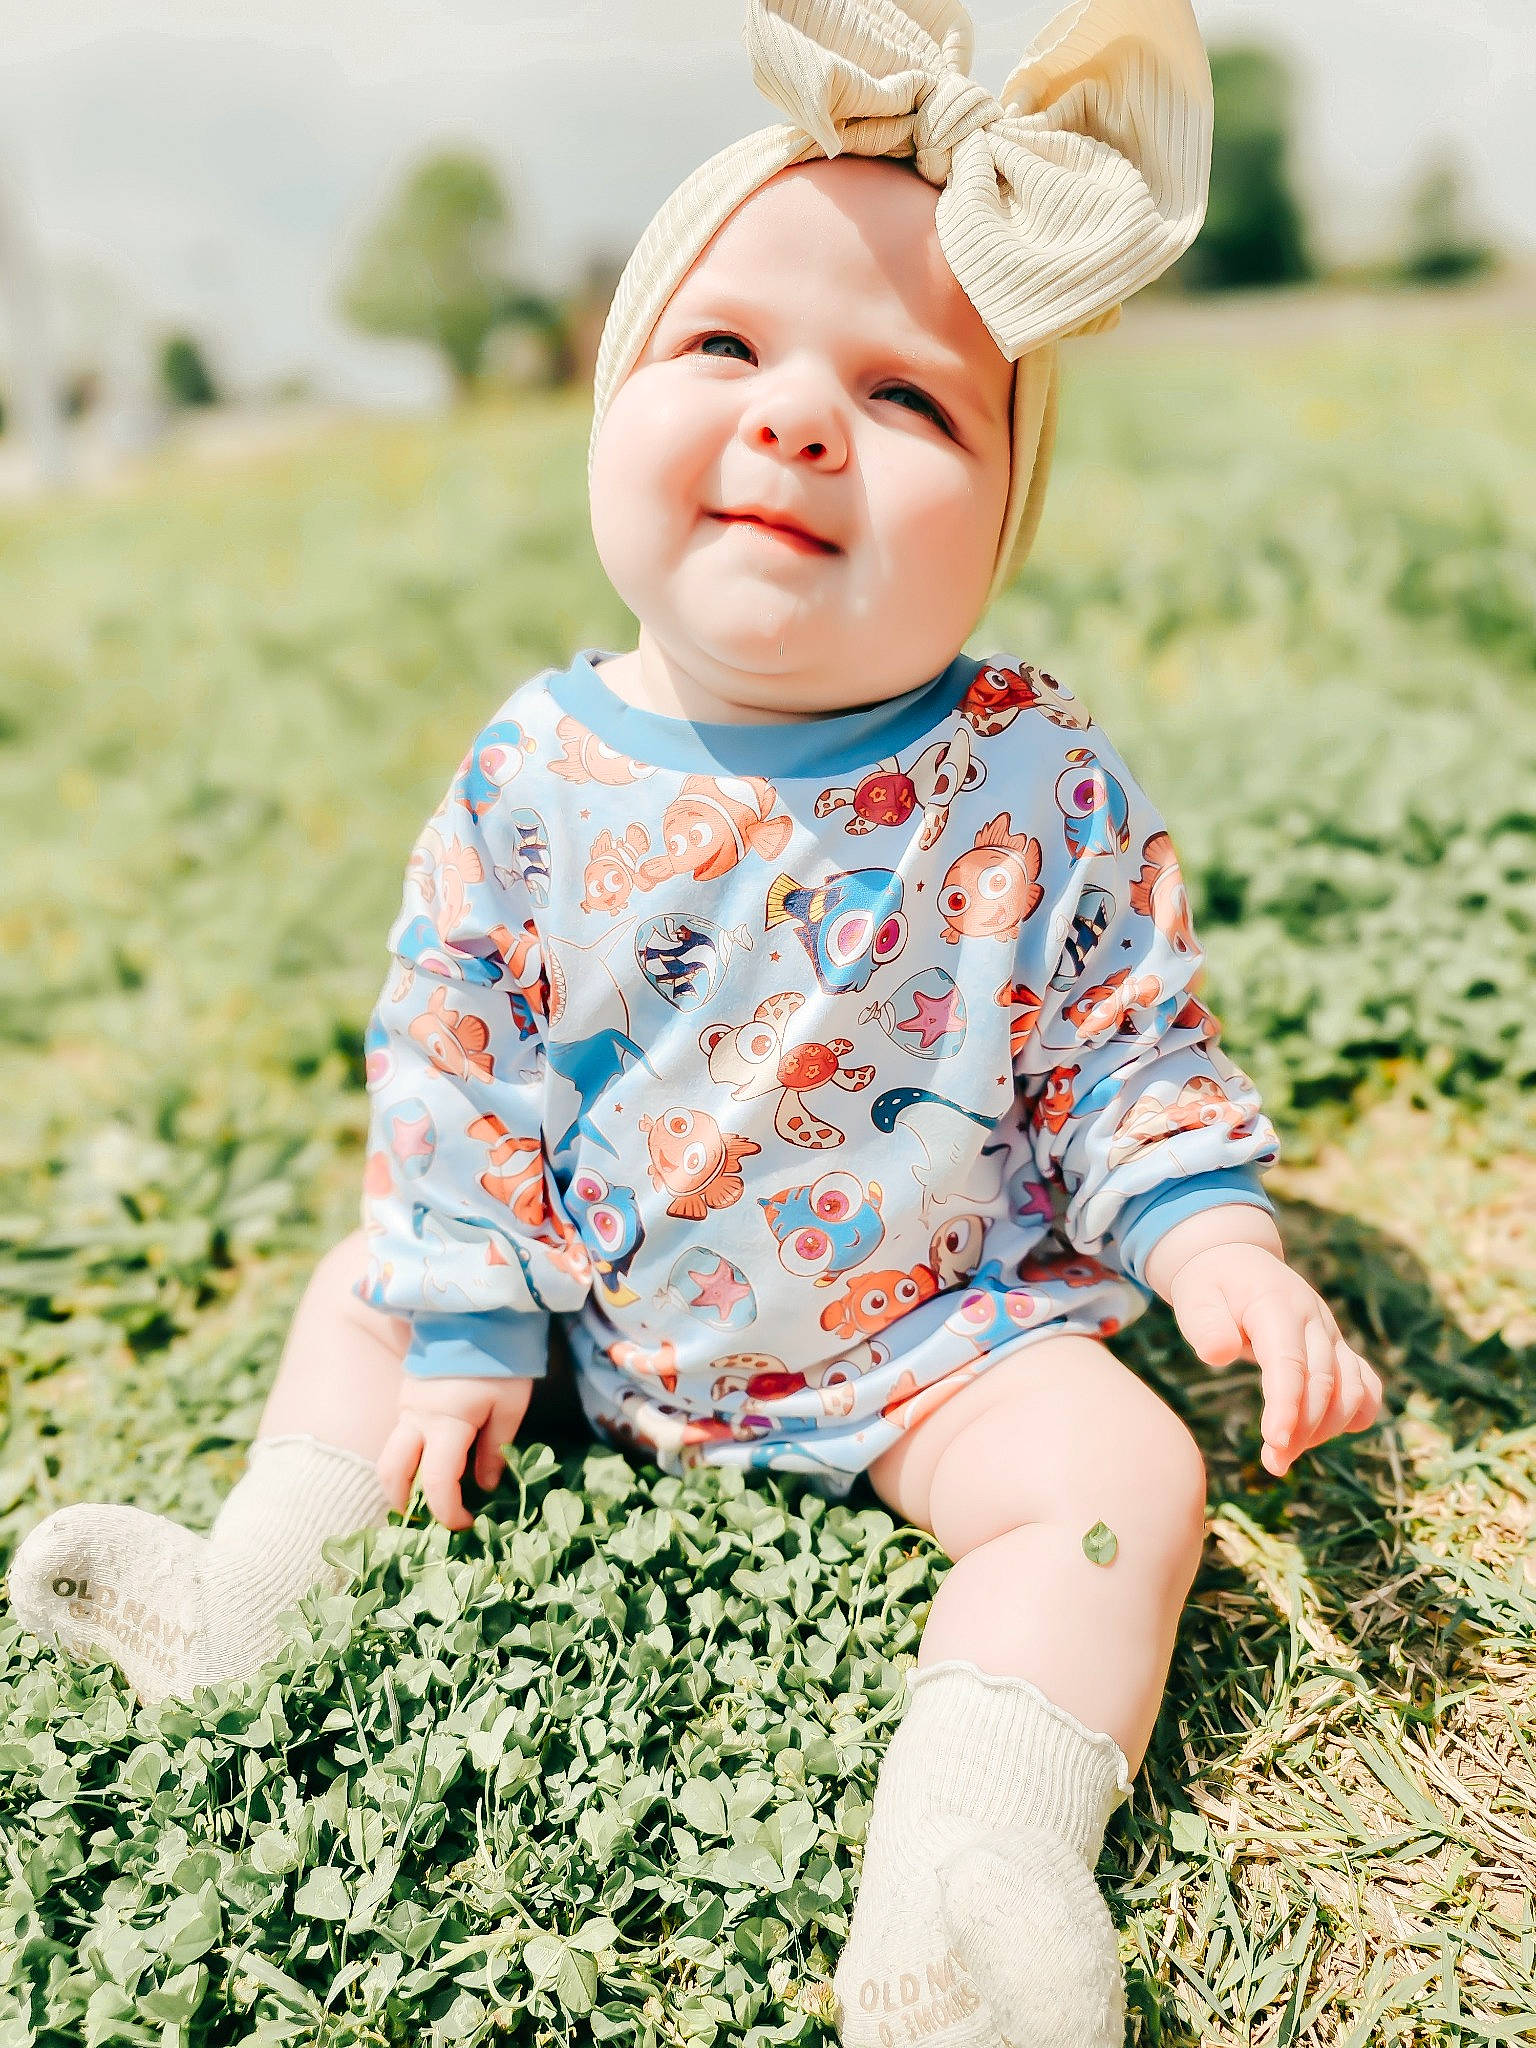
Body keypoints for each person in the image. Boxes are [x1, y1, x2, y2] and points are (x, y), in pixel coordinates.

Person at [9, 2, 1384, 2040]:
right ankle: (257, 1581)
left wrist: (1213, 1238)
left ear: (1004, 508)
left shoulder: (1031, 775)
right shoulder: (533, 768)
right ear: (612, 401)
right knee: (362, 1293)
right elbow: (451, 1054)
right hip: (588, 1296)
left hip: (932, 1338)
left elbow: (1120, 1038)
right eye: (726, 347)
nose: (802, 419)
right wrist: (475, 1312)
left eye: (909, 396)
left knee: (1122, 1480)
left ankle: (968, 1880)